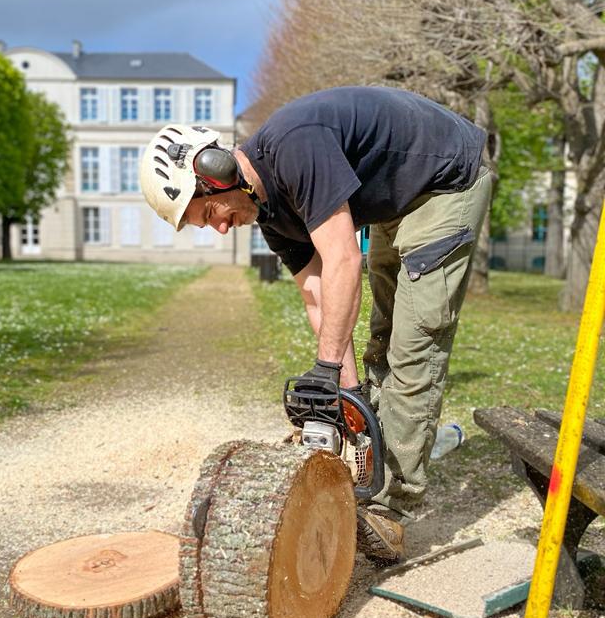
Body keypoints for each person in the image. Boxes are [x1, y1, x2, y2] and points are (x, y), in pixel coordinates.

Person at [139, 86, 493, 563]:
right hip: (397, 197)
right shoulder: (271, 217)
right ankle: (385, 452)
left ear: (215, 172)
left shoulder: (295, 146)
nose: (221, 229)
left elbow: (345, 260)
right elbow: (319, 293)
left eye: (210, 214)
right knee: (381, 347)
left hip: (446, 178)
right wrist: (346, 394)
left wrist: (326, 367)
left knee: (415, 345)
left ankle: (391, 509)